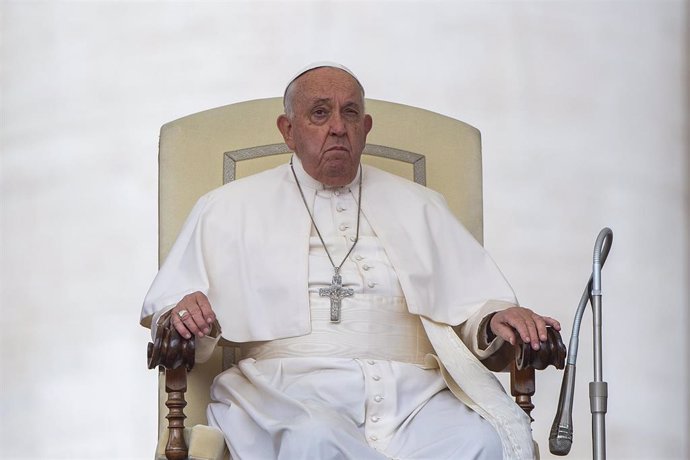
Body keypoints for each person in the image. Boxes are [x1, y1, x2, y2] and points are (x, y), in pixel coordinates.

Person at [142, 62, 560, 460]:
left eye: (350, 113)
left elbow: (472, 304)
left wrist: (496, 318)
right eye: (319, 114)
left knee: (479, 441)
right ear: (288, 131)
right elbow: (174, 302)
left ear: (366, 128)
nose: (338, 127)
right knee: (313, 438)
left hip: (414, 396)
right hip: (285, 390)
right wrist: (183, 309)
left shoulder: (422, 206)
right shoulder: (226, 208)